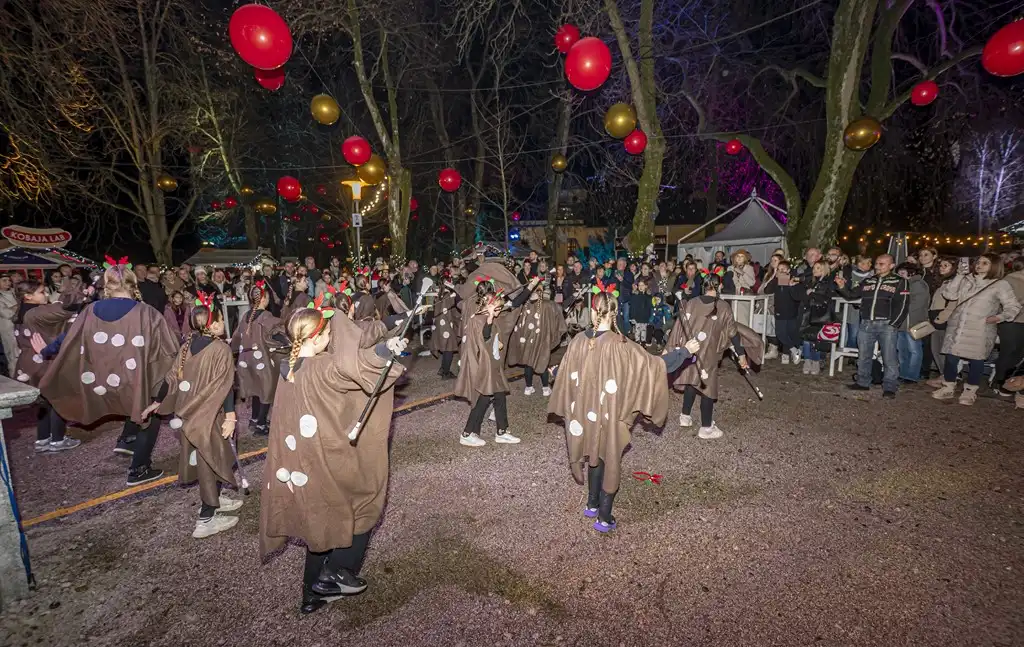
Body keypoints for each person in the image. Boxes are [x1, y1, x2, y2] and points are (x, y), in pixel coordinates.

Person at [260, 303, 408, 614]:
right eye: (328, 333)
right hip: (325, 458)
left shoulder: (289, 365)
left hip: (302, 460)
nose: (331, 336)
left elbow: (350, 363)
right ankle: (338, 571)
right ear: (315, 338)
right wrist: (385, 352)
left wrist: (382, 347)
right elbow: (352, 368)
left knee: (320, 526)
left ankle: (311, 594)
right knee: (365, 502)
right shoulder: (322, 368)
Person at [550, 288, 699, 532]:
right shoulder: (621, 344)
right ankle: (604, 517)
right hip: (609, 413)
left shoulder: (578, 340)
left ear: (594, 311)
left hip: (586, 412)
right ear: (615, 312)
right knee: (609, 456)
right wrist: (685, 352)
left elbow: (564, 369)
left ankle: (592, 503)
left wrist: (555, 373)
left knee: (594, 452)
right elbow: (655, 366)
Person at [35, 259, 179, 483]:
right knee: (150, 412)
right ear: (133, 284)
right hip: (136, 378)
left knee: (136, 402)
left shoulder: (90, 310)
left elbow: (69, 337)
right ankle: (138, 469)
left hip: (106, 380)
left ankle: (127, 440)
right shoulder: (146, 313)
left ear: (106, 284)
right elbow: (170, 346)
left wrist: (45, 351)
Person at [144, 295, 242, 538]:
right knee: (213, 458)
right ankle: (206, 519)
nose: (222, 322)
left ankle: (216, 498)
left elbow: (170, 378)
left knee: (209, 457)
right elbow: (225, 385)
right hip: (211, 415)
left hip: (189, 415)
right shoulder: (220, 348)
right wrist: (230, 416)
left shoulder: (187, 345)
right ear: (212, 324)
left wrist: (157, 401)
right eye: (219, 318)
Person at [666, 269, 761, 439]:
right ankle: (706, 427)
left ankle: (685, 416)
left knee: (692, 380)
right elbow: (733, 333)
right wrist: (741, 355)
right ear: (720, 286)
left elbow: (678, 327)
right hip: (708, 352)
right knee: (707, 388)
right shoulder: (723, 306)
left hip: (690, 349)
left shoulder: (692, 302)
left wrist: (672, 348)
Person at [455, 274, 538, 447]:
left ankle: (502, 431)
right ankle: (467, 433)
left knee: (499, 396)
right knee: (484, 399)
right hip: (484, 366)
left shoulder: (489, 314)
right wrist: (490, 318)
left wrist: (531, 286)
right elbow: (483, 338)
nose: (500, 311)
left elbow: (514, 304)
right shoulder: (477, 319)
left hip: (494, 364)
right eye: (497, 308)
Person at [931, 253, 1021, 405]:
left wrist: (998, 318)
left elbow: (1013, 307)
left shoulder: (999, 284)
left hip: (979, 329)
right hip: (958, 326)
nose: (979, 265)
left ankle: (970, 391)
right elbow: (949, 294)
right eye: (978, 262)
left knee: (976, 360)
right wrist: (959, 275)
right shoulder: (966, 279)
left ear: (994, 266)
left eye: (985, 263)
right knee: (951, 358)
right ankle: (948, 387)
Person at [14, 279, 85, 452]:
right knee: (57, 397)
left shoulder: (20, 313)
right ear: (28, 296)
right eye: (41, 292)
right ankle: (58, 440)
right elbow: (67, 309)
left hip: (29, 361)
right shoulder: (37, 312)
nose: (45, 294)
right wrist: (75, 289)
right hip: (44, 360)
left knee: (44, 401)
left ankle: (43, 439)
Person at [836, 254, 909, 398]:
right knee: (863, 355)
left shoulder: (899, 281)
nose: (877, 266)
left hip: (886, 324)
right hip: (867, 322)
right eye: (876, 263)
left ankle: (889, 387)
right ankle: (863, 382)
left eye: (882, 264)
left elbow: (903, 304)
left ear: (891, 266)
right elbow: (851, 295)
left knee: (889, 357)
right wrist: (842, 286)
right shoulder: (868, 280)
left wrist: (894, 324)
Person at [506, 284, 566, 396]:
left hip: (528, 342)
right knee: (541, 361)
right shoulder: (547, 305)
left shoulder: (525, 305)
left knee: (529, 363)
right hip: (542, 341)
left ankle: (529, 387)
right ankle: (545, 388)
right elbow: (559, 312)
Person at [796, 260, 838, 375]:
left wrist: (812, 294)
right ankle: (807, 361)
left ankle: (816, 361)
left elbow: (827, 298)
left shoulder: (828, 283)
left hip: (820, 314)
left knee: (817, 339)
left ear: (824, 269)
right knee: (806, 338)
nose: (815, 270)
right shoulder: (811, 282)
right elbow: (804, 298)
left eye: (818, 268)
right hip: (808, 312)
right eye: (814, 268)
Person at [992, 259, 1024, 397]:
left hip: (1022, 321)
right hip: (1011, 321)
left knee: (1019, 353)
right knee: (1008, 351)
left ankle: (1010, 380)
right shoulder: (1011, 279)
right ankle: (998, 381)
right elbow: (1003, 302)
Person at [925, 257, 958, 386]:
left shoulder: (954, 283)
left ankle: (948, 377)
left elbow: (952, 304)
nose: (942, 268)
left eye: (946, 265)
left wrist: (941, 318)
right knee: (936, 349)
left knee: (942, 349)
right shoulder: (942, 282)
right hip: (935, 316)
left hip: (943, 319)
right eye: (941, 265)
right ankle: (943, 375)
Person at [896, 262, 929, 383]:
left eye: (903, 273)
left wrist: (900, 309)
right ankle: (903, 373)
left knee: (914, 350)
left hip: (913, 322)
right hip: (902, 323)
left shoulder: (918, 284)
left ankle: (911, 375)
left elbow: (917, 305)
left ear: (912, 272)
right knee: (902, 350)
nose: (900, 276)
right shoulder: (905, 284)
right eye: (899, 273)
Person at [763, 260, 802, 364]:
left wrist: (791, 285)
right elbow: (767, 290)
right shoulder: (776, 281)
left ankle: (796, 349)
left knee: (791, 332)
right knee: (780, 333)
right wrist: (774, 277)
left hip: (791, 311)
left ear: (789, 270)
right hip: (779, 311)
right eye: (779, 269)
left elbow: (797, 295)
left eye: (783, 269)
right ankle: (794, 350)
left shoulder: (793, 280)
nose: (781, 271)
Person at [430, 278, 461, 379]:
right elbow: (455, 311)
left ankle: (443, 369)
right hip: (446, 326)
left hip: (440, 327)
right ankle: (446, 373)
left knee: (447, 348)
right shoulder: (449, 296)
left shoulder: (439, 295)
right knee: (449, 349)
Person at [0, 274, 17, 376]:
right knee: (12, 354)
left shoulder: (15, 292)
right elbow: (6, 314)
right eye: (4, 280)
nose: (8, 282)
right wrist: (18, 306)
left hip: (21, 326)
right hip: (8, 329)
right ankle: (14, 377)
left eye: (9, 280)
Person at [628, 279, 653, 346]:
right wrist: (632, 317)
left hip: (645, 317)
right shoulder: (635, 296)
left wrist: (649, 317)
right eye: (639, 285)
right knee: (637, 330)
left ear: (646, 286)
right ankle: (637, 342)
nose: (640, 287)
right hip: (637, 316)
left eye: (642, 285)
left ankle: (643, 343)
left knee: (644, 330)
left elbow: (649, 308)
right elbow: (632, 307)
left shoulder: (649, 297)